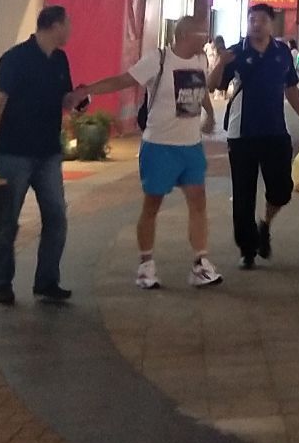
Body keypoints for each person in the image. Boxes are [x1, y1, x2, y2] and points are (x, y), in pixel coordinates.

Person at [79, 17, 224, 288]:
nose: (205, 39)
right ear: (184, 34)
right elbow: (123, 80)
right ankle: (146, 265)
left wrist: (210, 114)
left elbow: (201, 88)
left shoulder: (200, 60)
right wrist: (89, 91)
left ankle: (200, 263)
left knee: (198, 202)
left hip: (191, 145)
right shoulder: (158, 60)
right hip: (159, 145)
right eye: (200, 33)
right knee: (152, 204)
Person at [0, 5, 78, 306]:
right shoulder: (15, 58)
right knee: (7, 220)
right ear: (55, 26)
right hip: (14, 151)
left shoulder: (59, 59)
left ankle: (47, 281)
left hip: (48, 152)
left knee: (56, 216)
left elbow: (64, 98)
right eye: (67, 24)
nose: (70, 30)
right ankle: (0, 282)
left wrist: (78, 100)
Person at [210, 3, 299, 269]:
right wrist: (220, 63)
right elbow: (212, 86)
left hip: (276, 131)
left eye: (261, 20)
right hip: (241, 134)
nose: (256, 24)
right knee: (243, 195)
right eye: (252, 20)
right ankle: (247, 250)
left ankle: (264, 224)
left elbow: (291, 89)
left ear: (271, 24)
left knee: (282, 189)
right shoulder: (236, 52)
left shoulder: (282, 53)